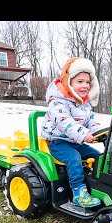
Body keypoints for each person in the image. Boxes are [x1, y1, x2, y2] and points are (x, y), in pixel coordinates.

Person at [40, 57, 103, 208]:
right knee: (74, 158)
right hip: (58, 142)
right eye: (80, 81)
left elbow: (91, 119)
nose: (85, 85)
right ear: (68, 81)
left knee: (99, 157)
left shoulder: (84, 103)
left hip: (75, 142)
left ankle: (98, 186)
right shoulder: (57, 102)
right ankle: (78, 193)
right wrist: (83, 134)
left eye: (87, 82)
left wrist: (98, 131)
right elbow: (65, 122)